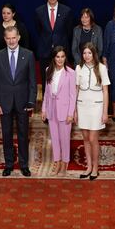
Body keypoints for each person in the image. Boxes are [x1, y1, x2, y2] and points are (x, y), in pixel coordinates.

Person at [0, 26, 37, 177]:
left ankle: (24, 165)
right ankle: (9, 164)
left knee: (23, 134)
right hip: (4, 103)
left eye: (13, 37)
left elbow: (32, 81)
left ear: (18, 37)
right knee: (6, 134)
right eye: (8, 38)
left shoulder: (28, 55)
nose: (11, 41)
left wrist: (31, 101)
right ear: (5, 39)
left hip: (23, 102)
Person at [74, 42, 110, 180]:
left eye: (89, 53)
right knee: (85, 138)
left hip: (97, 107)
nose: (86, 56)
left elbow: (105, 91)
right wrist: (74, 111)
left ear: (94, 54)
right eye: (84, 53)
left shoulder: (101, 68)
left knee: (93, 138)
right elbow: (76, 90)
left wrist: (105, 111)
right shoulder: (78, 68)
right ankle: (88, 166)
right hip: (82, 106)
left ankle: (96, 167)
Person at [41, 46, 76, 176]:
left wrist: (70, 113)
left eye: (62, 56)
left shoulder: (71, 73)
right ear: (54, 58)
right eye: (57, 57)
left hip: (65, 110)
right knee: (55, 138)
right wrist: (44, 109)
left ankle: (65, 162)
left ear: (65, 57)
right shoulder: (48, 70)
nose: (60, 59)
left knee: (65, 138)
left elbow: (73, 95)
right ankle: (57, 161)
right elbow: (46, 93)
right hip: (51, 109)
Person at [35, 0, 73, 96]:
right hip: (44, 52)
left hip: (61, 53)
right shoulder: (39, 11)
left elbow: (69, 31)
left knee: (61, 82)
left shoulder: (67, 11)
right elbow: (39, 30)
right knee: (46, 82)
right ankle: (47, 109)